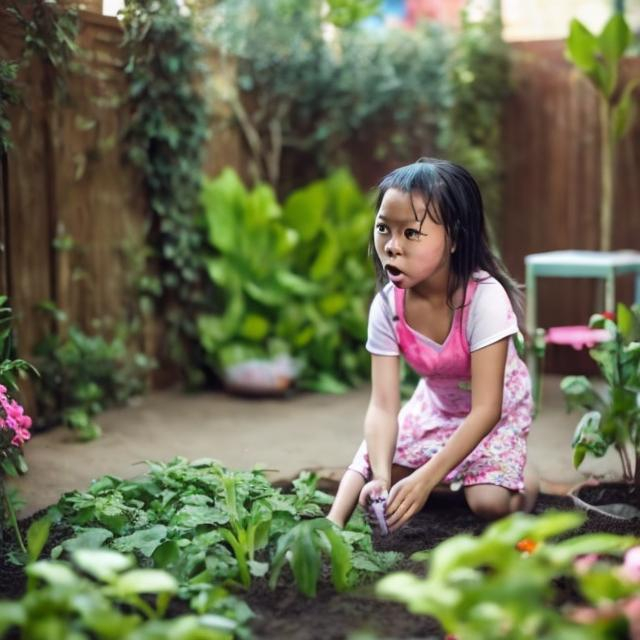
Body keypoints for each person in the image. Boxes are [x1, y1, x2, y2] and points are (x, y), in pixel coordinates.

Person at [327, 158, 538, 532]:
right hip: (435, 406)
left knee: (488, 503)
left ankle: (523, 479)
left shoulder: (484, 299)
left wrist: (425, 479)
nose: (391, 246)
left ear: (455, 238)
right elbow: (382, 405)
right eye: (383, 229)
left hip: (495, 412)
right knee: (372, 477)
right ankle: (331, 524)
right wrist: (379, 475)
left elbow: (487, 409)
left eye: (410, 233)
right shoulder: (388, 307)